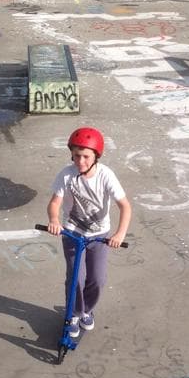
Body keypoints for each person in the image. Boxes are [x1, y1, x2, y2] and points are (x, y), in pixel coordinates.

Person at [47, 127, 131, 338]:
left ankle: (86, 310)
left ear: (96, 156)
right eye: (76, 155)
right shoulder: (66, 175)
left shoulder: (105, 175)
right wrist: (55, 220)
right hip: (73, 234)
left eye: (85, 156)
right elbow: (55, 202)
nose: (80, 161)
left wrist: (119, 234)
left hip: (99, 236)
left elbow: (125, 206)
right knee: (76, 277)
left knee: (97, 279)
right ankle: (74, 314)